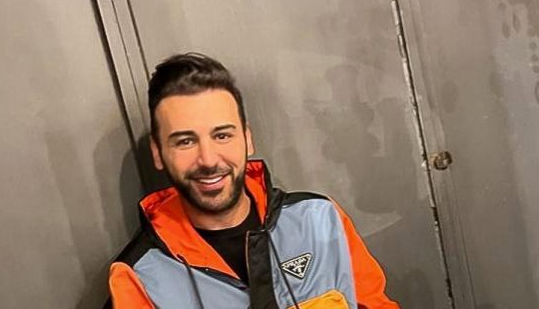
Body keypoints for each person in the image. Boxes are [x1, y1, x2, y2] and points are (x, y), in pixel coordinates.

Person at [108, 52, 399, 308]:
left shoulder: (320, 220)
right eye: (185, 141)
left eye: (222, 135)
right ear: (158, 153)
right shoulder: (139, 277)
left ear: (247, 139)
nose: (208, 159)